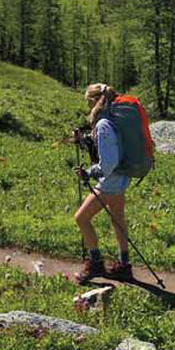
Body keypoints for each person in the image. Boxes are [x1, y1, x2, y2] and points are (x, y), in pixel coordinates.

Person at [73, 83, 133, 285]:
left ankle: (95, 262)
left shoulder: (103, 125)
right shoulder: (113, 120)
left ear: (95, 101)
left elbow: (108, 163)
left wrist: (88, 173)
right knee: (118, 219)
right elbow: (107, 149)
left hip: (111, 181)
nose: (88, 106)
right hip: (122, 177)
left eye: (88, 101)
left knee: (81, 218)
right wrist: (84, 141)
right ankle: (124, 266)